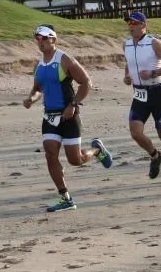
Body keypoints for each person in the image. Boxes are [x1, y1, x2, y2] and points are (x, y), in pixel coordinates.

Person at [23, 25, 113, 212]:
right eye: (37, 38)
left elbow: (86, 82)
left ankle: (96, 150)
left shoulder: (65, 60)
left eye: (44, 38)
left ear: (53, 39)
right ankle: (66, 197)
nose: (40, 41)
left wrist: (73, 104)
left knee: (75, 160)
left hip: (68, 117)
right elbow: (38, 89)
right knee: (50, 155)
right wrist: (31, 99)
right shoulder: (39, 65)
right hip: (49, 117)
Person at [122, 12, 161, 185]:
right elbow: (129, 63)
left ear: (144, 25)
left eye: (135, 23)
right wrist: (127, 76)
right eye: (129, 23)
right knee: (135, 133)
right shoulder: (126, 44)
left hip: (157, 92)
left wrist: (153, 73)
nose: (131, 26)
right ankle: (155, 156)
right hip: (139, 94)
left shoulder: (154, 43)